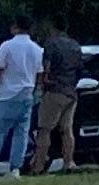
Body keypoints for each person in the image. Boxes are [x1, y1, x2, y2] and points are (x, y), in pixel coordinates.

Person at [0, 14, 41, 178]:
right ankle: (15, 168)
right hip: (27, 94)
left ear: (15, 27)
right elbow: (40, 74)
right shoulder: (37, 49)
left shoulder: (7, 46)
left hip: (7, 95)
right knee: (21, 133)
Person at [32, 25, 83, 173]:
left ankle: (39, 165)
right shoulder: (75, 45)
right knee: (67, 130)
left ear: (52, 27)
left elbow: (46, 67)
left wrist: (44, 82)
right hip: (71, 93)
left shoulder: (51, 44)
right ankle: (69, 162)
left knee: (44, 129)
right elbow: (80, 69)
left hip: (54, 91)